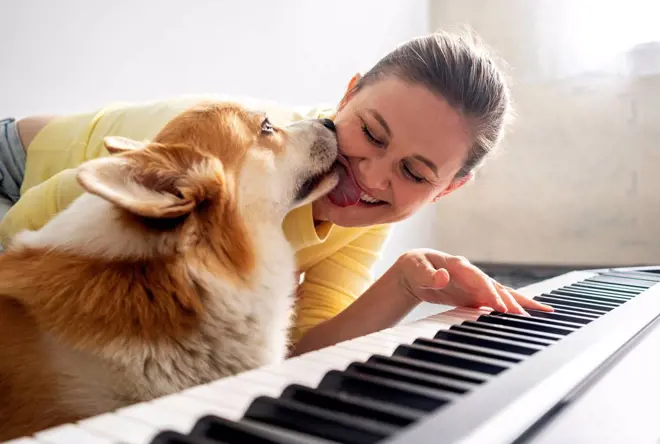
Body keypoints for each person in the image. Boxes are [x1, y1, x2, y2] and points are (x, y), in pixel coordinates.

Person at [0, 30, 552, 356]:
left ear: (448, 189)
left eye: (414, 173)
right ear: (348, 94)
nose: (373, 176)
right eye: (372, 133)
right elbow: (42, 215)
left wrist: (408, 281)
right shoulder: (245, 142)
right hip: (22, 173)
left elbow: (302, 347)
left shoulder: (363, 214)